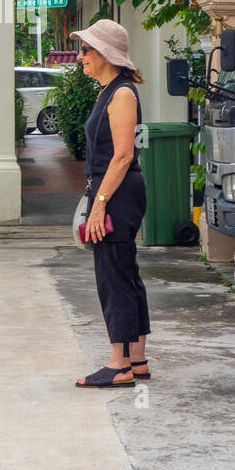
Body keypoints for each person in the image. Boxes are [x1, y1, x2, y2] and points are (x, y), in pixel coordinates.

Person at [72, 19, 151, 388]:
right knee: (125, 272)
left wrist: (100, 204)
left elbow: (122, 156)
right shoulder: (111, 91)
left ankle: (118, 364)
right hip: (115, 191)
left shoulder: (121, 94)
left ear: (105, 54)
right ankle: (136, 360)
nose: (81, 56)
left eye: (86, 50)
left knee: (113, 277)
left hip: (116, 193)